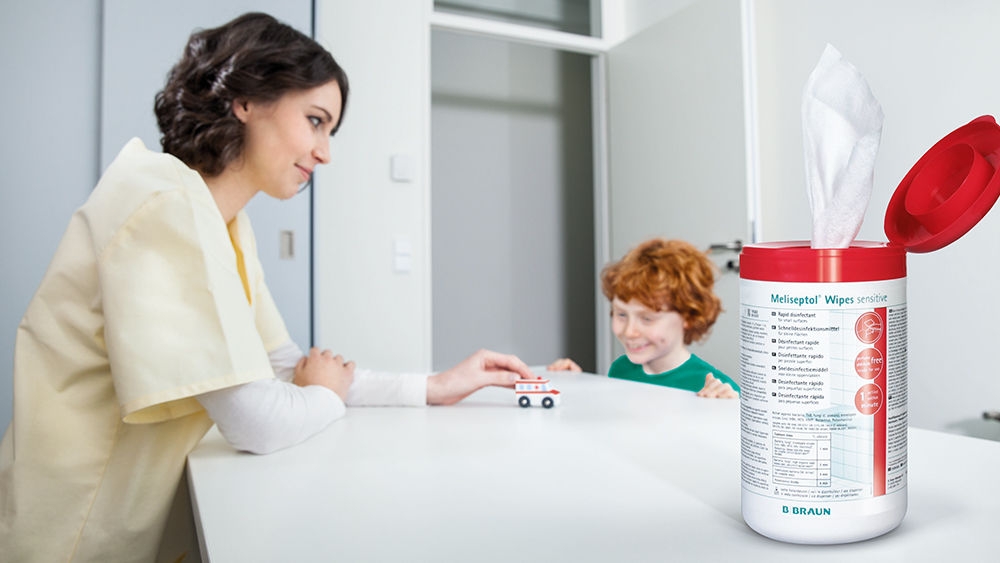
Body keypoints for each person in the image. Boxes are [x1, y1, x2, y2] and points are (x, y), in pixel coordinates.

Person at [0, 13, 535, 563]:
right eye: (316, 120)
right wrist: (324, 393)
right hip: (72, 533)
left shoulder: (222, 220)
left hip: (129, 521)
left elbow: (281, 366)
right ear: (247, 100)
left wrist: (435, 386)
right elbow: (256, 419)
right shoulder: (162, 201)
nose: (325, 152)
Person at [548, 238, 738, 399]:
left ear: (688, 317)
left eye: (647, 319)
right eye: (621, 314)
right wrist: (577, 385)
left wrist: (728, 407)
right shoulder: (620, 369)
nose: (629, 331)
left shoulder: (716, 389)